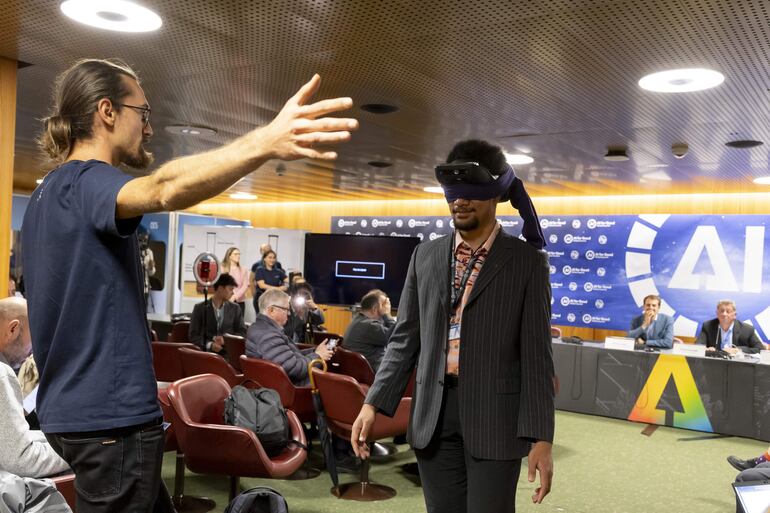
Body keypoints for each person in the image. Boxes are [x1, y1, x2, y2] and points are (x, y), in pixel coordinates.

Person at [21, 58, 356, 512]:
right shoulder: (89, 181)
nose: (149, 127)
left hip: (77, 413)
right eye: (143, 112)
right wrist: (265, 143)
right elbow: (162, 189)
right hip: (109, 422)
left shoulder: (47, 192)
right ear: (107, 111)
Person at [351, 139, 554, 513]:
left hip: (497, 420)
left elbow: (538, 357)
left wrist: (542, 437)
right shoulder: (424, 256)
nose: (459, 202)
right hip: (434, 415)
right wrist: (373, 403)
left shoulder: (526, 263)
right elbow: (404, 340)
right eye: (452, 194)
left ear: (495, 194)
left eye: (470, 193)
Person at [0, 297, 70, 478]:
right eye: (31, 344)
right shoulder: (2, 374)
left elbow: (11, 441)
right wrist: (79, 451)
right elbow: (21, 460)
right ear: (13, 330)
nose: (29, 355)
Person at [246, 289, 333, 386]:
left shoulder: (261, 328)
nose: (289, 313)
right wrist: (318, 356)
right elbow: (295, 369)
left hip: (279, 384)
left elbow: (290, 357)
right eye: (285, 309)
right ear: (271, 310)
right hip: (290, 391)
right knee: (335, 385)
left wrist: (315, 351)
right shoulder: (269, 336)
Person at [188, 273, 246, 355]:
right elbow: (193, 336)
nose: (233, 293)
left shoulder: (235, 308)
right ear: (220, 288)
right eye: (230, 289)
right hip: (206, 355)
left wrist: (225, 339)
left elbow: (242, 332)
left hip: (229, 354)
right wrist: (210, 345)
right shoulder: (199, 308)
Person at [343, 289, 396, 372]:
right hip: (375, 376)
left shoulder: (357, 320)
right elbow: (396, 336)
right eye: (384, 307)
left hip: (357, 372)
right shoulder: (370, 326)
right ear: (374, 309)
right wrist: (387, 314)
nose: (385, 309)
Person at [696, 300, 767, 355]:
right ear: (717, 313)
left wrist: (738, 350)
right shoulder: (708, 326)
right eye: (722, 311)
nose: (724, 314)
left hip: (738, 365)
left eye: (728, 311)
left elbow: (759, 349)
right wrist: (706, 349)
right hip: (714, 364)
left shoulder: (747, 329)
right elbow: (698, 345)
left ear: (734, 315)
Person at [221, 246, 250, 315]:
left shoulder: (244, 269)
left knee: (238, 324)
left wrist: (235, 297)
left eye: (239, 254)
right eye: (236, 254)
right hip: (225, 300)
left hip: (240, 302)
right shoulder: (222, 268)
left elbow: (245, 285)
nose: (238, 256)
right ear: (229, 256)